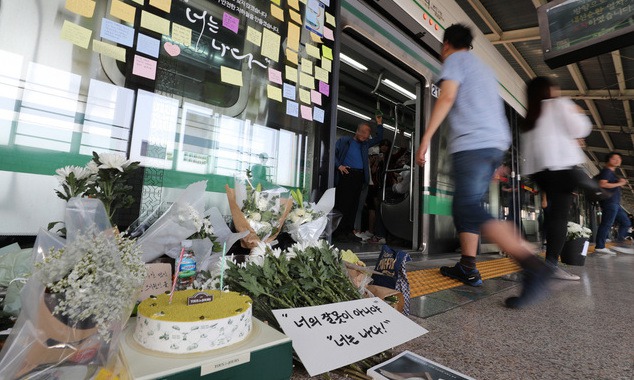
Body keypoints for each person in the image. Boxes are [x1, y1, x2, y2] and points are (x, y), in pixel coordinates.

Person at [415, 24, 551, 308]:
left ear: (446, 45)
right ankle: (467, 265)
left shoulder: (455, 60)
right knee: (469, 205)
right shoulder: (485, 69)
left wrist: (425, 138)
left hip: (473, 143)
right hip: (492, 143)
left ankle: (531, 264)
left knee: (466, 207)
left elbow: (448, 96)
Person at [520, 76, 594, 280]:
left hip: (540, 172)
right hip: (561, 168)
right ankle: (551, 265)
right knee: (559, 218)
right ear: (549, 90)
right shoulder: (559, 104)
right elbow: (582, 129)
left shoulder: (531, 114)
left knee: (554, 217)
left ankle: (546, 261)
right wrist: (577, 111)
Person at [334, 114, 384, 240]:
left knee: (354, 205)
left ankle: (349, 231)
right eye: (362, 132)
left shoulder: (365, 144)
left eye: (367, 133)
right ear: (357, 131)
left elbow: (380, 138)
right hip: (346, 174)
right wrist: (339, 166)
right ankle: (338, 232)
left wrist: (379, 124)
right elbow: (332, 153)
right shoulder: (345, 141)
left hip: (359, 177)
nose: (364, 135)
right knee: (343, 204)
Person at [594, 152, 633, 254]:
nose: (618, 160)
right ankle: (600, 246)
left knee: (626, 222)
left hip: (615, 203)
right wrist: (619, 183)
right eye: (614, 158)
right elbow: (602, 184)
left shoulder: (611, 173)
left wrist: (618, 182)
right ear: (608, 160)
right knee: (607, 223)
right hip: (609, 202)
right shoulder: (606, 171)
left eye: (619, 159)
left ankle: (619, 243)